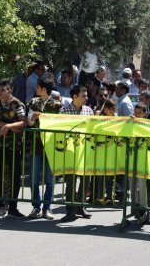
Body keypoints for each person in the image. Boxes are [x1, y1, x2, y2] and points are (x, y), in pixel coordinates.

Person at [0, 78, 26, 219]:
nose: (0, 92)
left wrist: (9, 127)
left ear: (10, 90)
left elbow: (23, 122)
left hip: (14, 144)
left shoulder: (17, 103)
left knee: (15, 175)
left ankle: (13, 207)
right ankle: (0, 205)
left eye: (3, 90)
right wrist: (6, 125)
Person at [26, 75, 62, 220]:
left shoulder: (57, 105)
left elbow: (61, 123)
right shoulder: (33, 102)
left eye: (38, 87)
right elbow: (28, 121)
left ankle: (47, 208)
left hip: (51, 146)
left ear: (44, 89)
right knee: (34, 178)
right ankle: (36, 207)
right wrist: (32, 118)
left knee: (49, 179)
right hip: (35, 145)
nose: (36, 89)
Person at [59, 85, 94, 223]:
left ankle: (80, 206)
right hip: (70, 151)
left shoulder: (89, 110)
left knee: (86, 180)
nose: (86, 98)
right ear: (74, 97)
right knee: (71, 182)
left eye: (86, 95)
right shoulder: (64, 110)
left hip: (85, 151)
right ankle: (70, 210)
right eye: (83, 95)